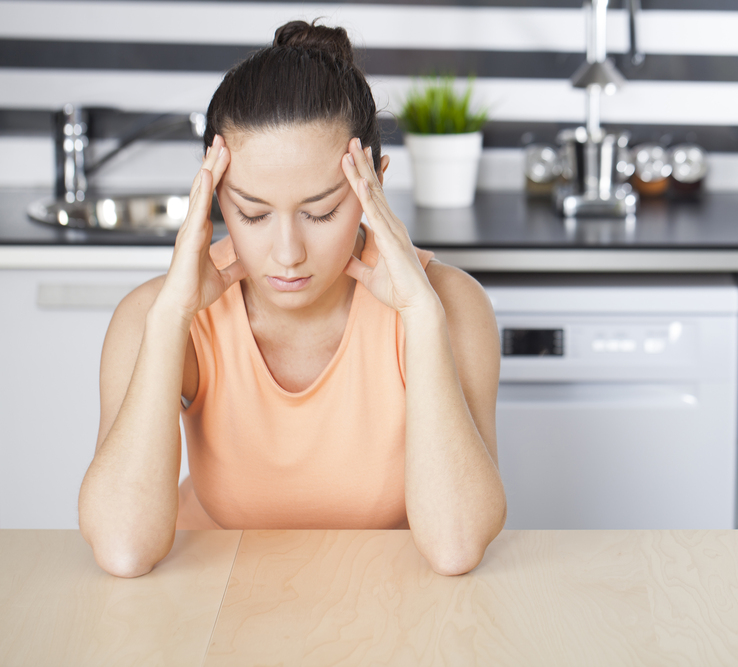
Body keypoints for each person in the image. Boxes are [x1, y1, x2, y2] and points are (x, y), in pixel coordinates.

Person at [78, 20, 506, 578]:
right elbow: (123, 550)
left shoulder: (450, 305)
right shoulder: (155, 317)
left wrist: (421, 318)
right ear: (211, 195)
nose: (287, 253)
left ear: (373, 183)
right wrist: (171, 318)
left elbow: (456, 548)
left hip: (388, 602)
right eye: (252, 213)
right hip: (208, 595)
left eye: (321, 212)